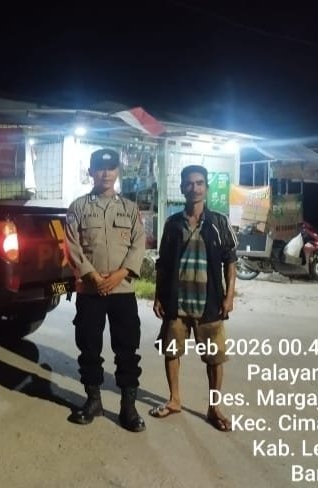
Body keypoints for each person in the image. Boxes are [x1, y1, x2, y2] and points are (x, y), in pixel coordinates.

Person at [64, 148, 147, 432]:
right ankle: (93, 401)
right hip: (90, 292)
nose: (106, 173)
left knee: (127, 350)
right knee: (89, 347)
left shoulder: (130, 209)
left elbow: (138, 244)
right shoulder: (78, 208)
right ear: (91, 172)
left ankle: (128, 407)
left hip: (122, 291)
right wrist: (92, 276)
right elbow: (71, 247)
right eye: (100, 168)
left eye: (111, 168)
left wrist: (120, 274)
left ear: (117, 172)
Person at [151, 164, 237, 432]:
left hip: (209, 303)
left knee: (215, 358)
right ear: (181, 188)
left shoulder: (219, 222)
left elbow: (230, 261)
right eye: (189, 183)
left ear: (206, 188)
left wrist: (229, 296)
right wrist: (158, 296)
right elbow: (163, 264)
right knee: (171, 351)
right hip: (176, 302)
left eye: (199, 183)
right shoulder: (172, 223)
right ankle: (175, 400)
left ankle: (214, 407)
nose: (194, 188)